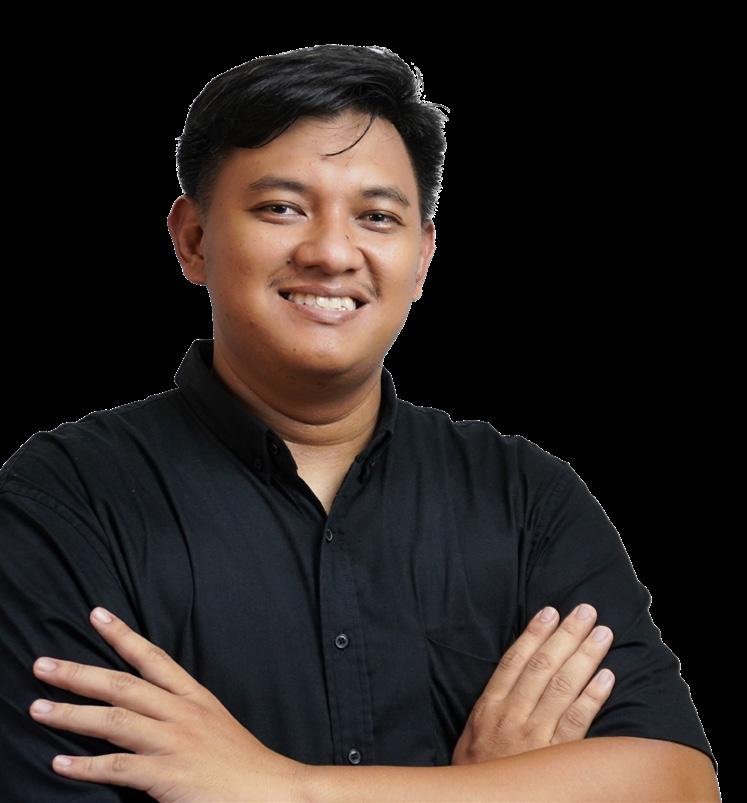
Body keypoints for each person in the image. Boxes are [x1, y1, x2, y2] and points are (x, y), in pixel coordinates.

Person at [0, 44, 719, 801]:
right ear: (194, 239)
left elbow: (678, 785)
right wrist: (491, 791)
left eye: (376, 217)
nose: (332, 252)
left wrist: (284, 788)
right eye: (282, 208)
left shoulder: (526, 500)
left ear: (421, 259)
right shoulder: (67, 502)